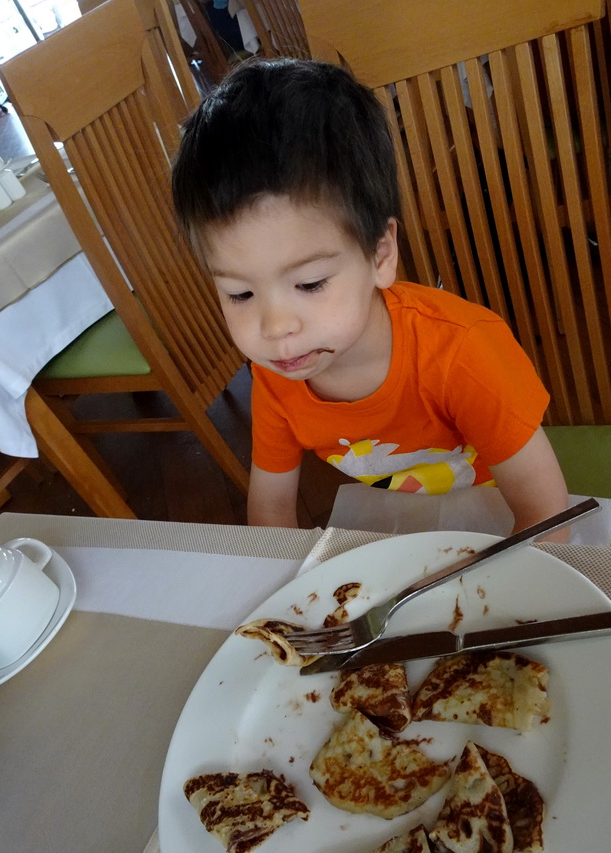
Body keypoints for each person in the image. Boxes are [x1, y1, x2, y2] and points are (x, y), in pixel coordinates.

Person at [171, 59, 569, 536]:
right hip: (398, 528)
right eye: (240, 293)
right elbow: (272, 515)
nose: (275, 327)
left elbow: (548, 519)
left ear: (381, 254)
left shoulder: (462, 354)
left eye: (311, 284)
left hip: (500, 520)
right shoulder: (279, 374)